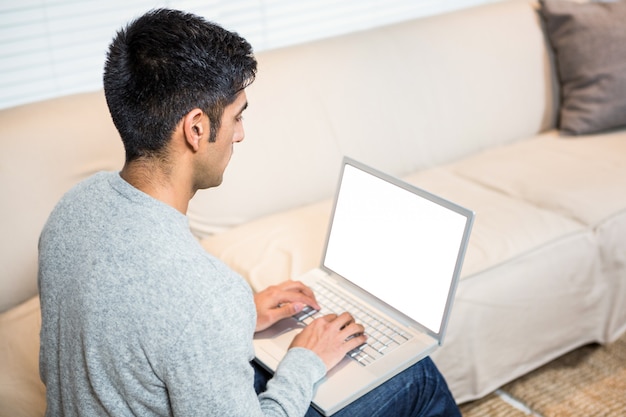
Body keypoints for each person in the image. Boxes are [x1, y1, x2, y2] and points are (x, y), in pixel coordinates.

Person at [37, 8, 461, 417]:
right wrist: (306, 361)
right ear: (197, 128)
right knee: (417, 376)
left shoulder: (73, 208)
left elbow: (135, 330)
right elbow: (179, 307)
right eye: (237, 116)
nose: (240, 134)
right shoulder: (202, 294)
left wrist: (239, 317)